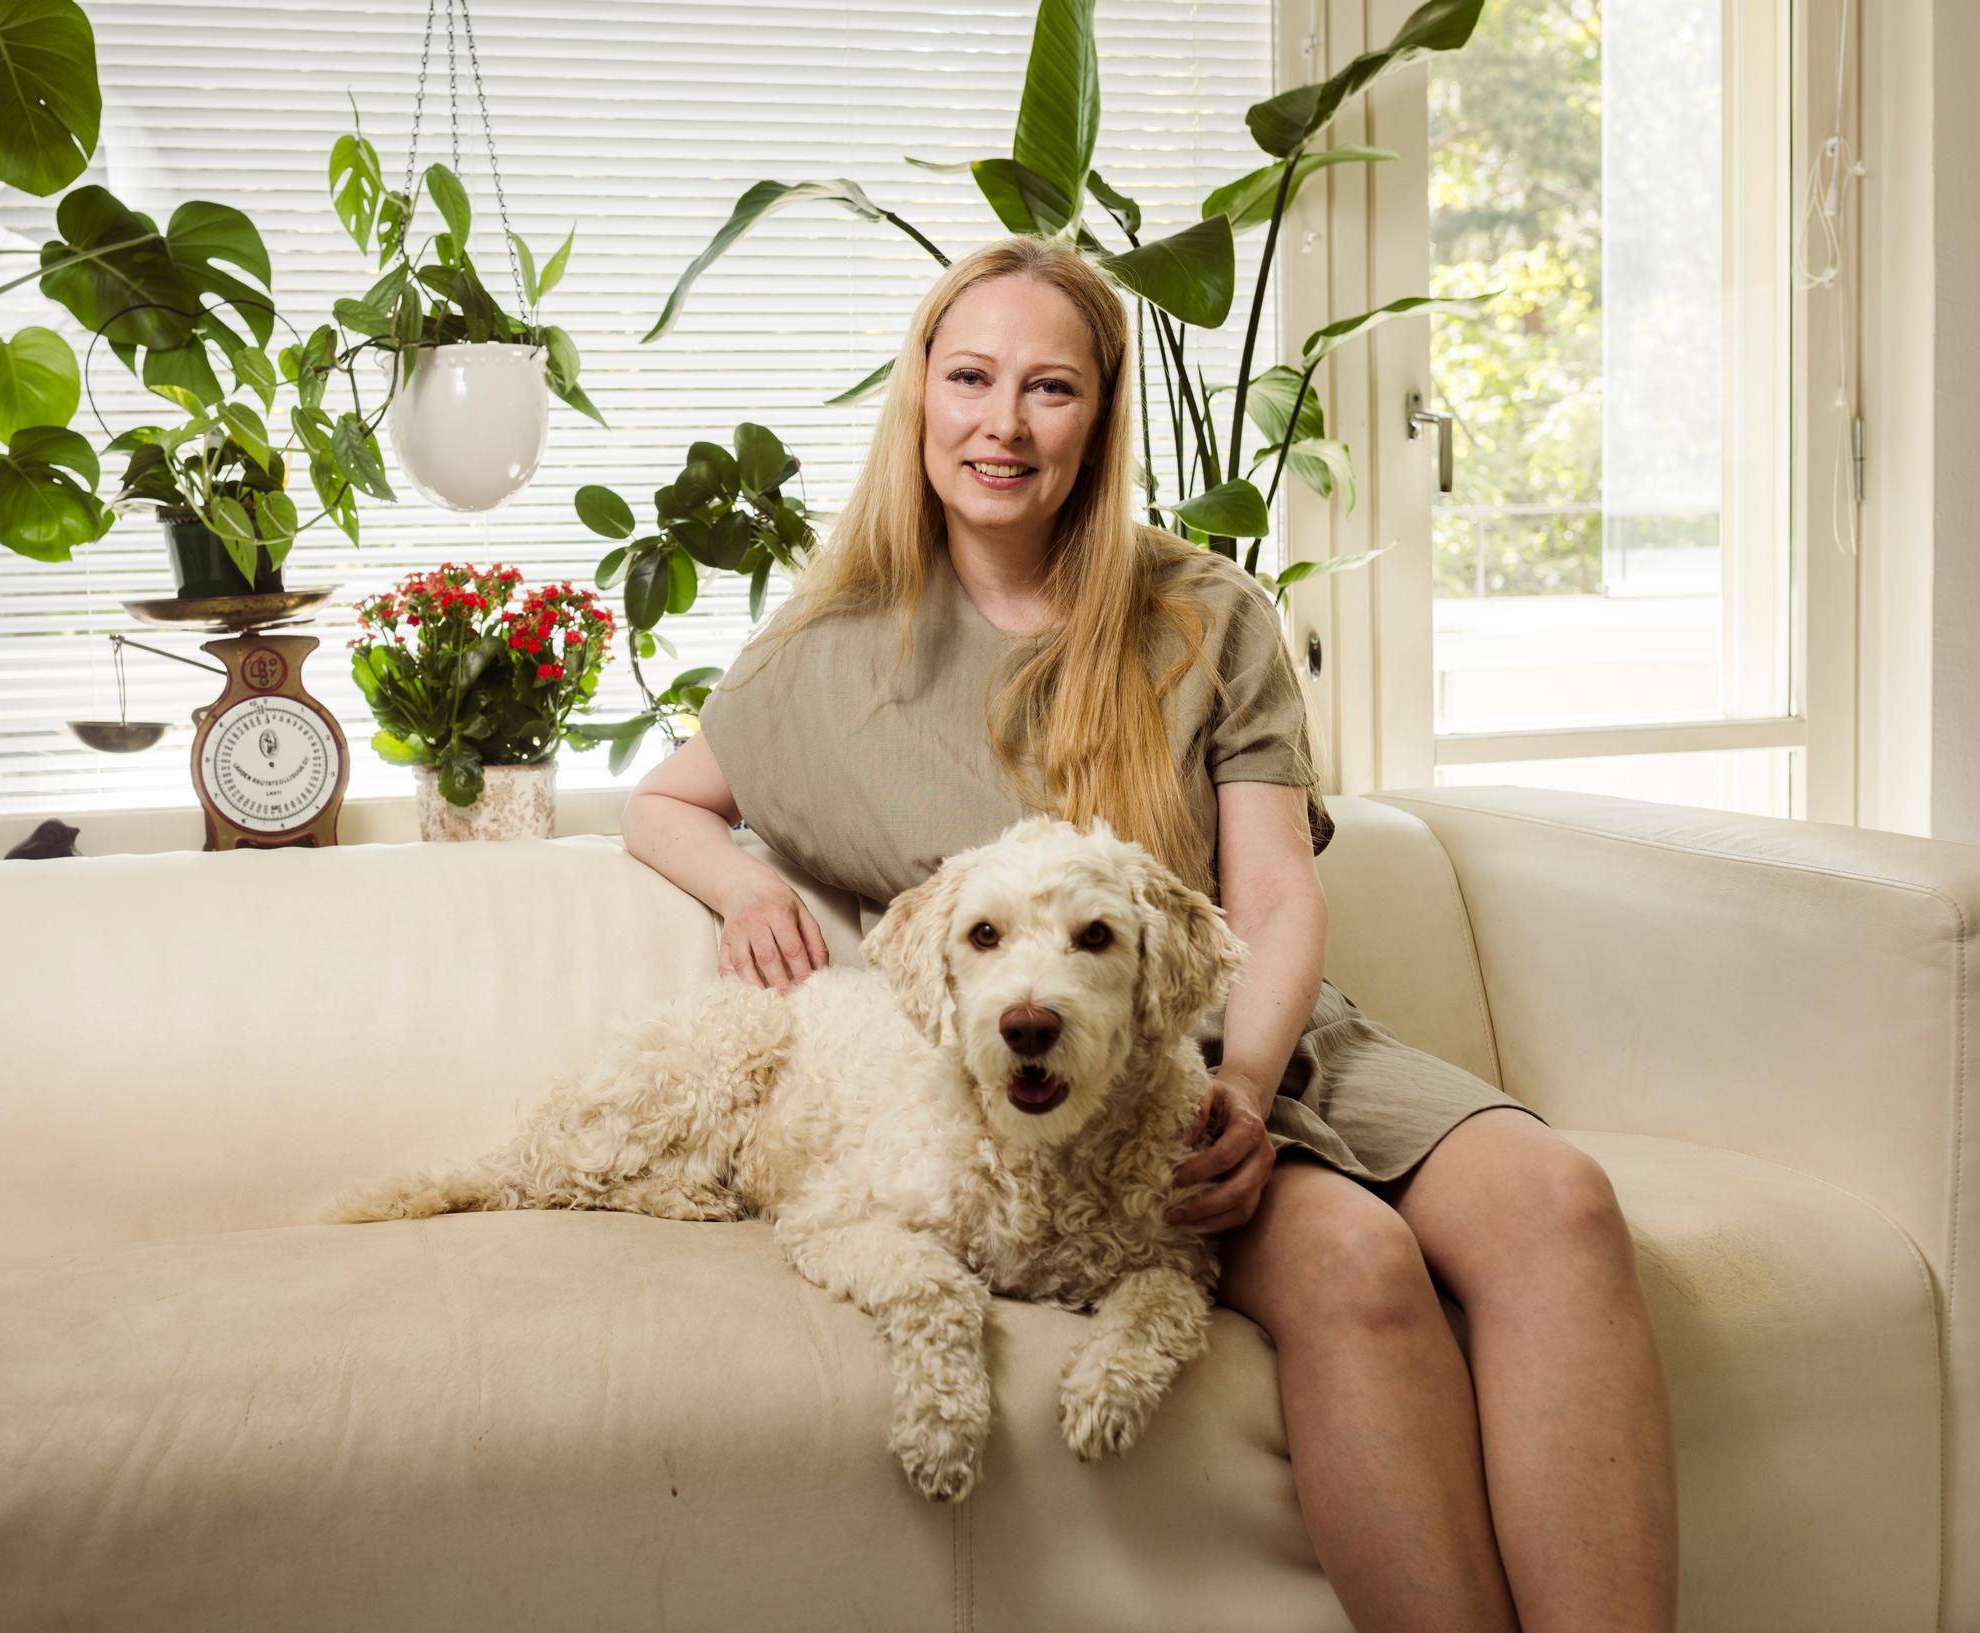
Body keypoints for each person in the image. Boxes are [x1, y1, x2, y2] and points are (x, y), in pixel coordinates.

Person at [619, 235, 1677, 1633]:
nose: (1002, 424)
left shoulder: (1205, 613)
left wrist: (1244, 1081)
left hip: (1258, 1037)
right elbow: (663, 801)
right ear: (919, 391)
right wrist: (749, 888)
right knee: (1358, 1267)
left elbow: (1274, 896)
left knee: (1561, 1205)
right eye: (970, 377)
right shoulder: (829, 656)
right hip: (1089, 1112)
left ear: (1100, 416)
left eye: (1049, 388)